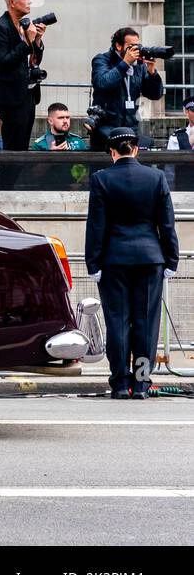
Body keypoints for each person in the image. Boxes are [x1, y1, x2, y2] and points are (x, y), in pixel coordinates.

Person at [85, 126, 179, 399]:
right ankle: (140, 382)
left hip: (114, 259)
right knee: (145, 323)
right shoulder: (156, 177)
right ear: (135, 149)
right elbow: (167, 225)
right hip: (150, 258)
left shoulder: (102, 179)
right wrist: (171, 259)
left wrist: (93, 263)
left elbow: (96, 226)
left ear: (112, 152)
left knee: (118, 321)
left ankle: (119, 382)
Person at [0, 0, 48, 151]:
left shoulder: (23, 26)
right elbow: (3, 63)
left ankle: (19, 178)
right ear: (12, 3)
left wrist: (36, 40)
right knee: (13, 146)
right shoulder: (0, 28)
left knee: (23, 146)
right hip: (12, 96)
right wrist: (25, 41)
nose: (29, 1)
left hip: (28, 94)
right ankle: (9, 178)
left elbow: (34, 60)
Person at [89, 27, 163, 150]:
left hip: (131, 127)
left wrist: (151, 72)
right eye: (131, 46)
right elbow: (102, 83)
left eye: (137, 46)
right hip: (106, 127)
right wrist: (125, 63)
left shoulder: (139, 66)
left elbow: (155, 94)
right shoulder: (102, 60)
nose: (136, 50)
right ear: (119, 46)